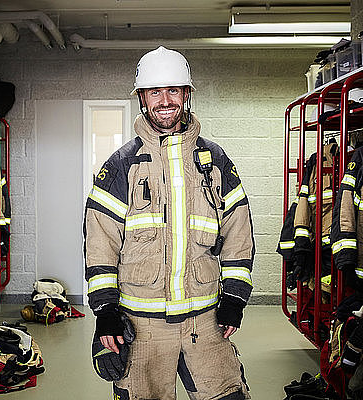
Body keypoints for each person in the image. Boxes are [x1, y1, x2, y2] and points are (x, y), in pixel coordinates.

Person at [84, 46, 255, 400]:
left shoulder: (215, 160)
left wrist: (235, 298)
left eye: (173, 90)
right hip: (142, 324)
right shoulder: (121, 165)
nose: (164, 100)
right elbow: (100, 241)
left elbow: (238, 231)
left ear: (186, 95)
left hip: (205, 322)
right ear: (143, 98)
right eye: (155, 91)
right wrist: (105, 311)